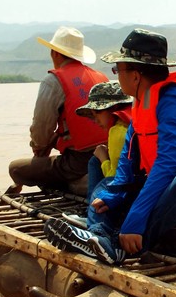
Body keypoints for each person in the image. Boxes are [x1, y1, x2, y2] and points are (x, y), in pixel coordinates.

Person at [43, 29, 176, 264]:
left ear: (136, 75)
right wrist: (115, 193)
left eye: (118, 70)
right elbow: (128, 155)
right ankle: (100, 236)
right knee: (107, 185)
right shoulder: (142, 101)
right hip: (172, 196)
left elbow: (171, 162)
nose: (116, 75)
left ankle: (117, 246)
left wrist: (136, 216)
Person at [7, 26, 108, 195]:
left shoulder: (53, 81)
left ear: (55, 53)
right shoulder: (101, 78)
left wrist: (39, 148)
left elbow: (41, 130)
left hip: (77, 162)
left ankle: (74, 185)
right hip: (107, 154)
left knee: (16, 169)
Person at [75, 81, 133, 198]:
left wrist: (103, 159)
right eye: (93, 115)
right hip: (138, 183)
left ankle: (93, 211)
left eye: (98, 112)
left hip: (125, 190)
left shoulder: (117, 131)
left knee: (94, 161)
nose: (95, 120)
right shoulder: (132, 122)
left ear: (114, 108)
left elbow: (114, 178)